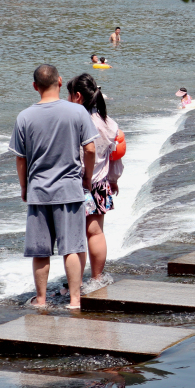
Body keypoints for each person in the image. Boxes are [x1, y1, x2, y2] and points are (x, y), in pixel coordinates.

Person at [10, 65, 98, 309]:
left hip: (38, 190)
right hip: (69, 189)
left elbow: (20, 158)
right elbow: (90, 149)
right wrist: (87, 177)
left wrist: (24, 186)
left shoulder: (24, 116)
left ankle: (40, 300)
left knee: (40, 251)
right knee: (72, 248)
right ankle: (74, 300)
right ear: (60, 81)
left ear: (35, 86)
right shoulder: (77, 112)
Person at [66, 74, 123, 286]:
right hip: (100, 184)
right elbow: (116, 155)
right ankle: (97, 279)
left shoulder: (73, 121)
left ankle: (75, 283)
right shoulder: (108, 123)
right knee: (96, 233)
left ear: (78, 97)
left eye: (69, 95)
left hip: (75, 183)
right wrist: (114, 179)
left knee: (75, 236)